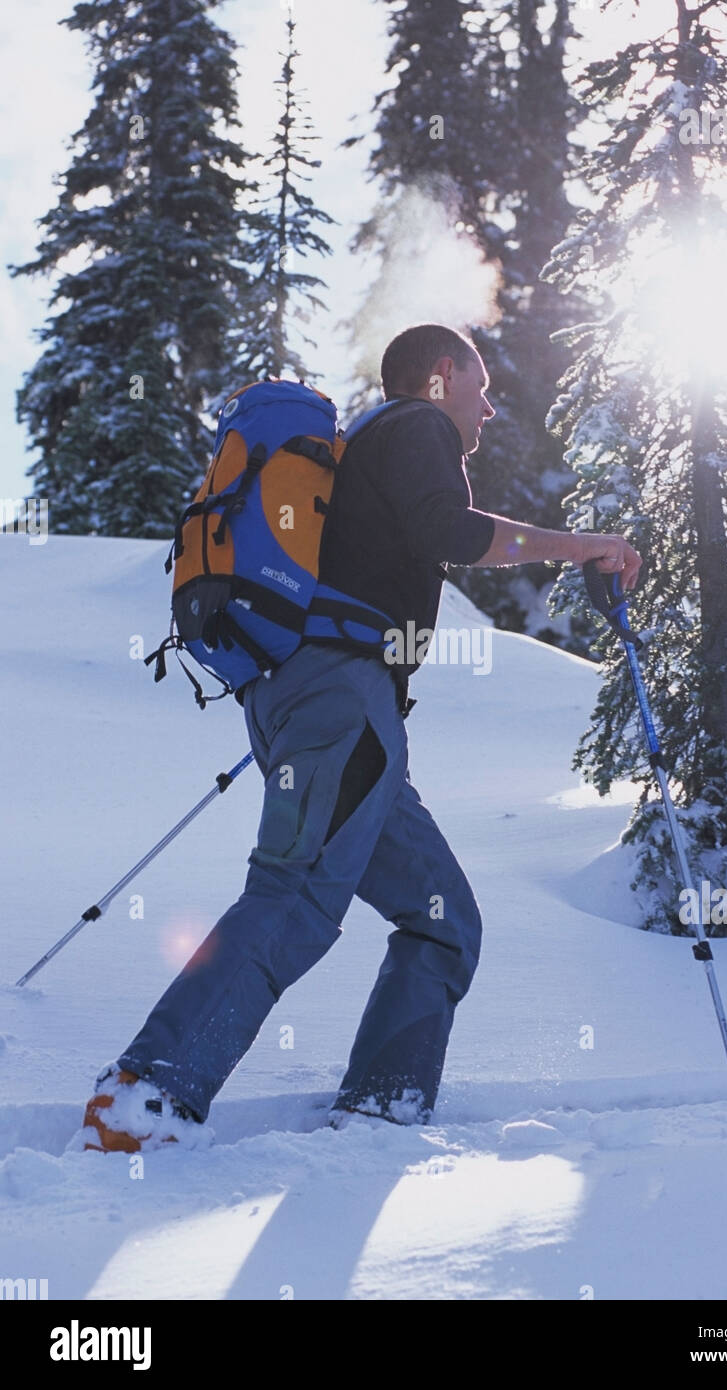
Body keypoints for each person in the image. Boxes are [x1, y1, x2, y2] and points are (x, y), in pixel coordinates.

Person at [80, 323, 641, 1152]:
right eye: (481, 392)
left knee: (443, 922)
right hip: (337, 704)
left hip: (339, 714)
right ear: (441, 376)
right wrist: (584, 544)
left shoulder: (361, 459)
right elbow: (449, 531)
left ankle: (384, 1109)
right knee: (298, 893)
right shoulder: (413, 426)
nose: (486, 413)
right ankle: (145, 1097)